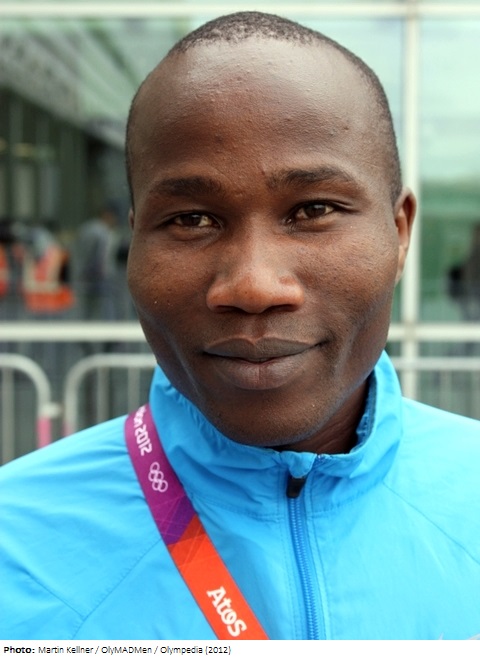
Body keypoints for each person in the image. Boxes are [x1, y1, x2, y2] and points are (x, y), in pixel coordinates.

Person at [1, 12, 480, 641]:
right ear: (134, 240)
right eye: (191, 219)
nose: (253, 287)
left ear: (399, 234)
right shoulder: (15, 543)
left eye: (314, 210)